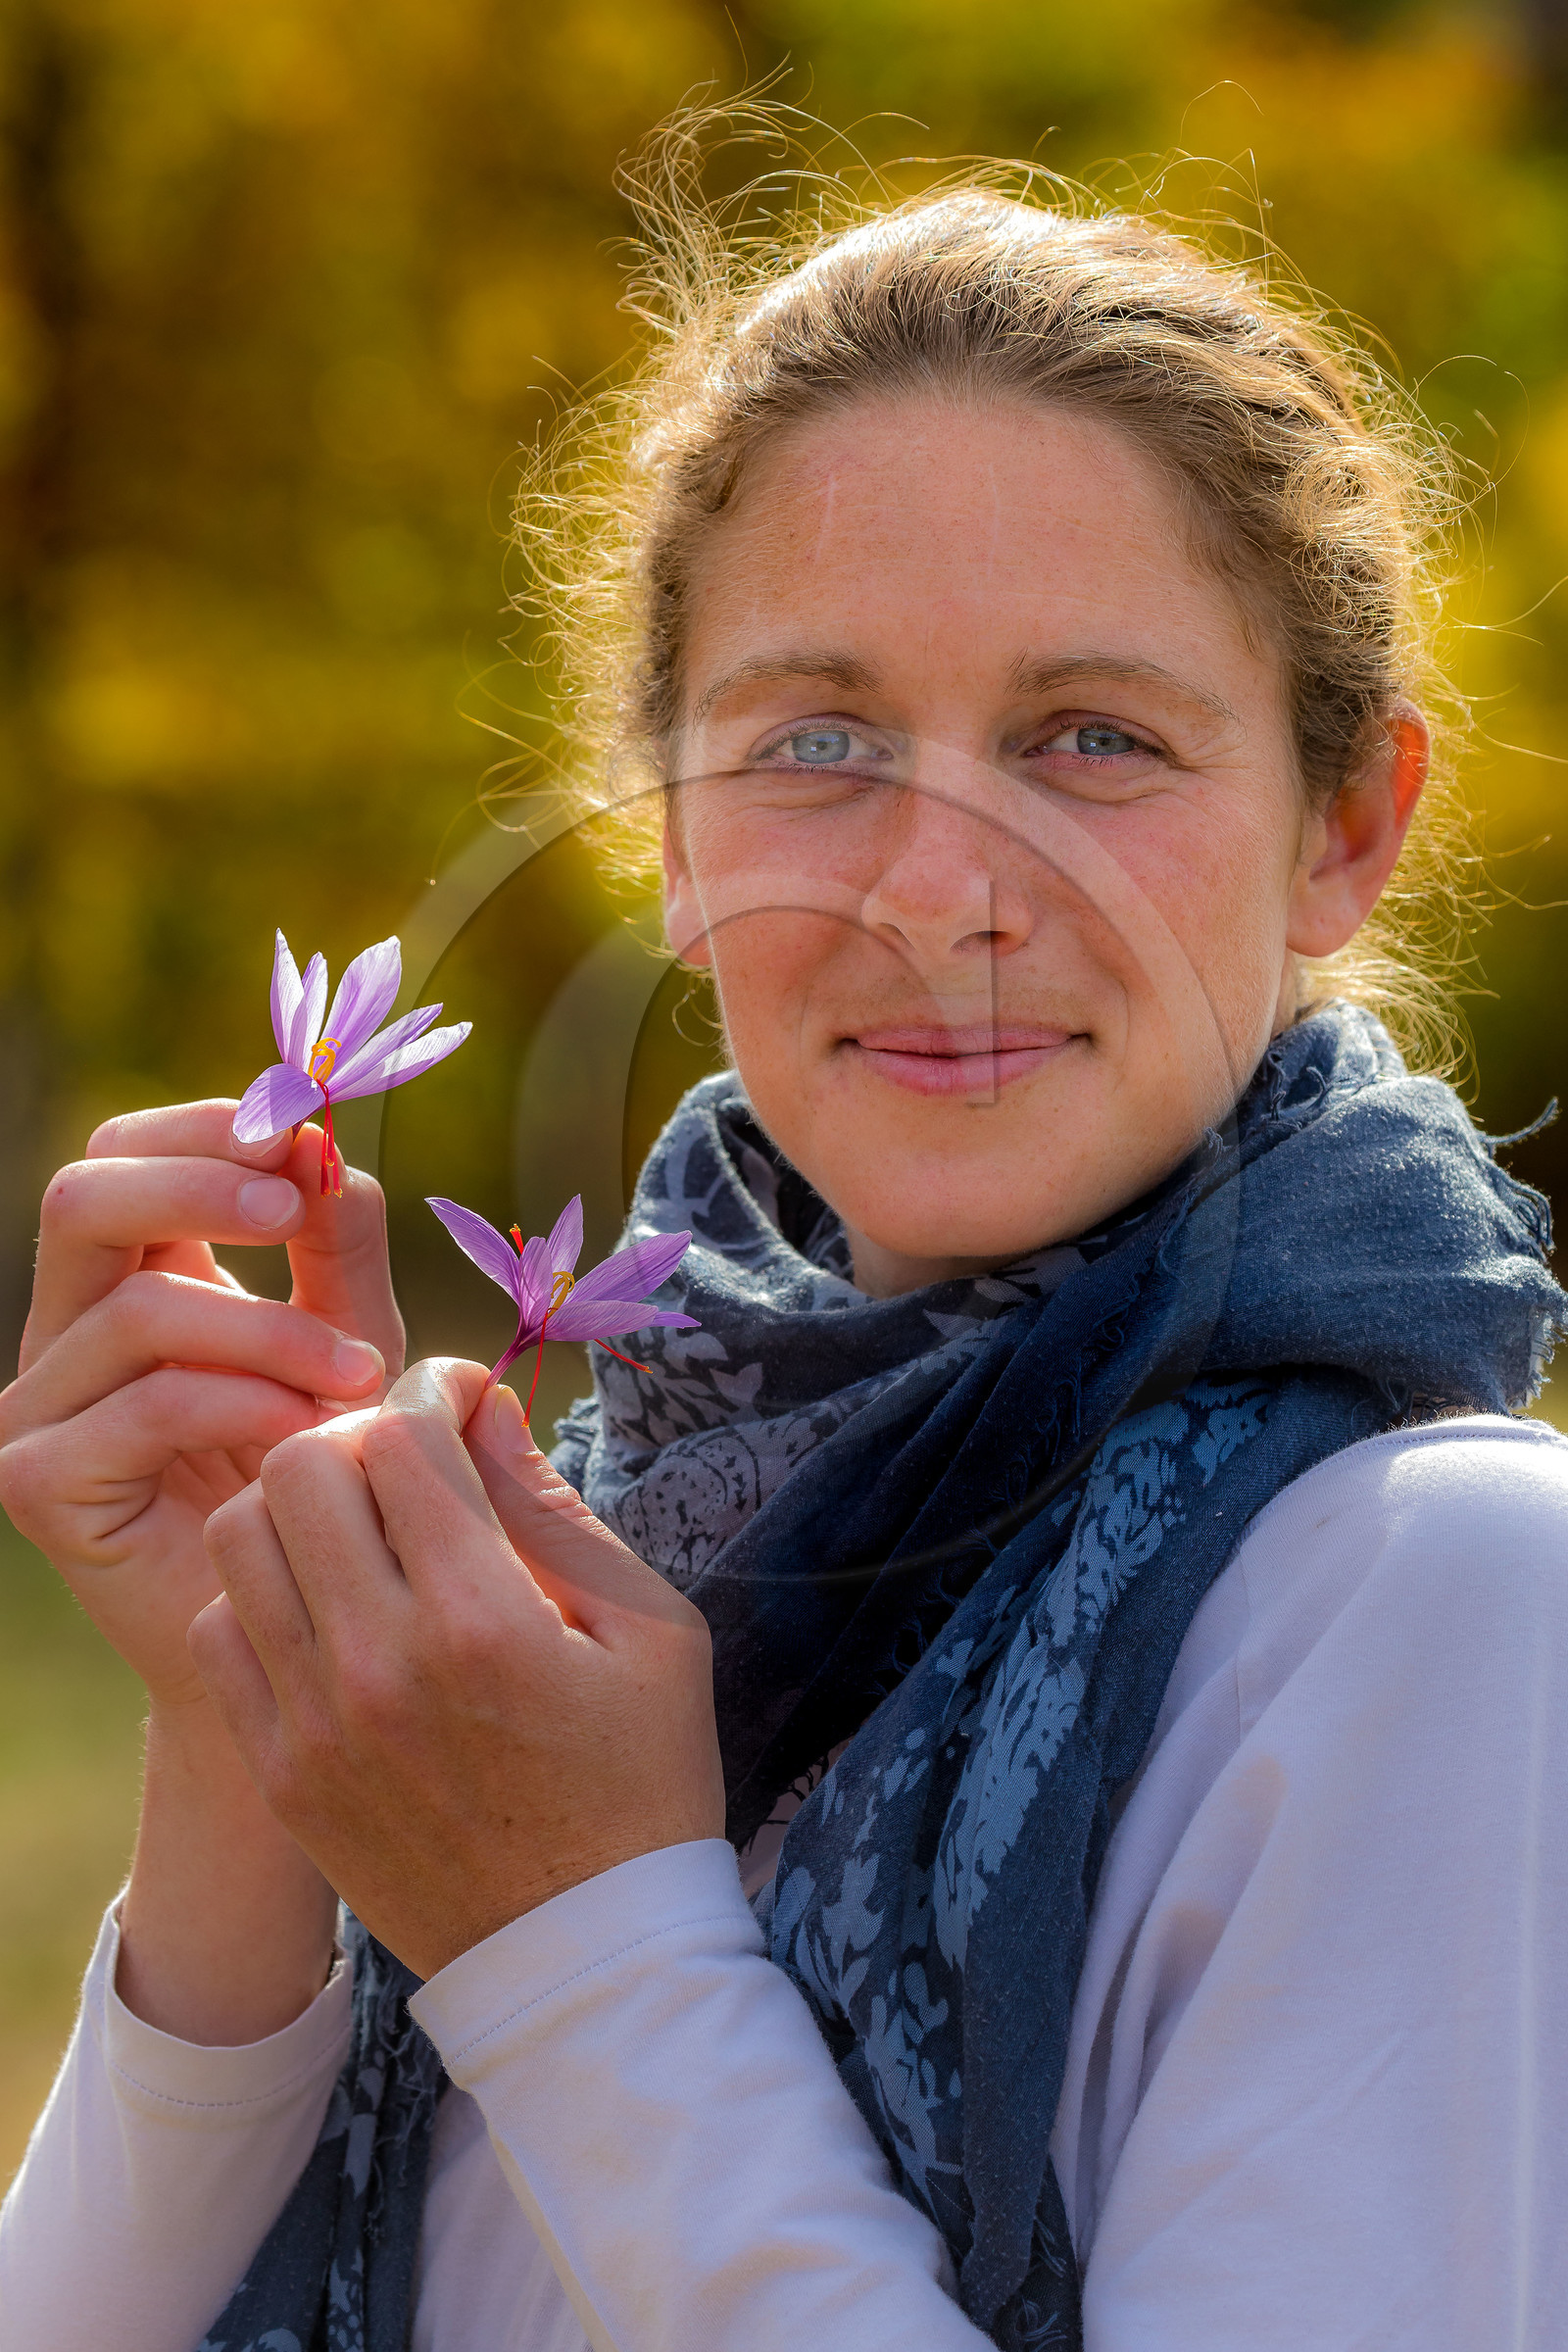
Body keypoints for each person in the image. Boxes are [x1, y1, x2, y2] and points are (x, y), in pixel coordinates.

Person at [2, 127, 1566, 2352]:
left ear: (1344, 829)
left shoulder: (1436, 1603)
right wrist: (253, 1748)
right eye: (816, 737)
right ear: (665, 831)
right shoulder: (565, 1602)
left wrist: (572, 1945)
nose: (936, 892)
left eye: (1093, 738)